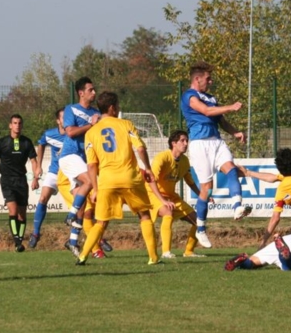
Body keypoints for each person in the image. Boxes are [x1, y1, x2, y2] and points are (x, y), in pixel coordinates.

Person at [77, 91, 174, 266]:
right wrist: (148, 168)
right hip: (130, 178)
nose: (118, 108)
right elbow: (140, 149)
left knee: (100, 222)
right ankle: (153, 257)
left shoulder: (91, 133)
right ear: (112, 108)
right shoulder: (126, 124)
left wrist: (96, 189)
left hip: (107, 181)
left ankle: (83, 256)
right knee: (144, 215)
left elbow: (91, 165)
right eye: (117, 105)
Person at [180, 61, 251, 249]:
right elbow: (206, 111)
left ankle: (237, 207)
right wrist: (230, 106)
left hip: (217, 141)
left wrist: (235, 132)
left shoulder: (211, 98)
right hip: (200, 144)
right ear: (197, 79)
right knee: (207, 188)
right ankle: (201, 228)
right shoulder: (189, 96)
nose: (210, 82)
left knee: (231, 170)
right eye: (208, 79)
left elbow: (220, 120)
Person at [146, 130, 206, 259]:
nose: (186, 143)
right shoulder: (162, 157)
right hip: (153, 194)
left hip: (171, 196)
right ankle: (166, 252)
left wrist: (202, 195)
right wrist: (163, 201)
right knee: (168, 211)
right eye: (182, 141)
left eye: (187, 141)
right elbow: (151, 180)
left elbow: (190, 181)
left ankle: (189, 252)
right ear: (174, 143)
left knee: (198, 221)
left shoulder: (185, 161)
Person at [59, 77, 100, 257]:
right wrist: (91, 125)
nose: (94, 92)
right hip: (70, 156)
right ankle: (70, 215)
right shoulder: (71, 109)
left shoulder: (96, 112)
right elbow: (70, 132)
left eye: (94, 89)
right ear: (81, 93)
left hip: (84, 159)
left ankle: (73, 241)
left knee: (83, 203)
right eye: (91, 90)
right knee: (90, 182)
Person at [0, 114, 40, 252]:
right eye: (15, 123)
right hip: (7, 180)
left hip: (21, 180)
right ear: (10, 125)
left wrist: (36, 178)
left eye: (19, 123)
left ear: (22, 125)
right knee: (13, 210)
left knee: (22, 214)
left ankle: (19, 240)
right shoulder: (2, 142)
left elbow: (34, 162)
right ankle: (17, 242)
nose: (17, 126)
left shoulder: (26, 142)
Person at [30, 107, 66, 248]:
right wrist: (38, 166)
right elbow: (41, 144)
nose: (66, 119)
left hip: (70, 174)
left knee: (81, 205)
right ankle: (35, 233)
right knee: (43, 198)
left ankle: (97, 238)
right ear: (58, 121)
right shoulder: (50, 134)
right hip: (54, 172)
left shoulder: (74, 133)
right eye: (63, 117)